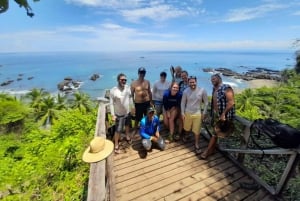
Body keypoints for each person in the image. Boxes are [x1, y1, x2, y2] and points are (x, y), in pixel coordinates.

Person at [201, 73, 235, 159]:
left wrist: (223, 114)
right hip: (215, 115)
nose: (212, 80)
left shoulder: (226, 88)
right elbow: (214, 103)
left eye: (214, 79)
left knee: (214, 133)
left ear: (219, 79)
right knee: (216, 133)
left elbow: (231, 102)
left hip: (223, 116)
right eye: (211, 79)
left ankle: (207, 151)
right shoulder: (214, 89)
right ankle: (212, 150)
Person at [181, 76, 208, 154]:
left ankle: (196, 144)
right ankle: (186, 136)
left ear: (196, 82)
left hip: (197, 113)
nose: (192, 84)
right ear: (188, 83)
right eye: (190, 82)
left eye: (193, 82)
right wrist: (182, 113)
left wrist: (204, 112)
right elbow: (183, 102)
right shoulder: (186, 91)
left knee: (197, 130)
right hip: (188, 112)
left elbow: (206, 103)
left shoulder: (202, 90)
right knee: (186, 128)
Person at [110, 73, 133, 154]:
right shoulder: (113, 90)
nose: (124, 81)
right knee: (118, 130)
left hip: (127, 112)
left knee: (127, 126)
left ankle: (127, 137)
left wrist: (132, 107)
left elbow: (130, 97)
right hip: (119, 114)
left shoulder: (128, 88)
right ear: (118, 80)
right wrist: (113, 115)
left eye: (125, 80)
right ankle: (116, 144)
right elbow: (111, 103)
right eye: (122, 79)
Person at [130, 67, 152, 133]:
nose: (142, 74)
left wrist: (151, 101)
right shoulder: (133, 83)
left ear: (145, 73)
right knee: (137, 118)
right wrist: (133, 105)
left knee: (148, 116)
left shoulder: (147, 82)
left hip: (146, 102)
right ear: (138, 73)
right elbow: (131, 95)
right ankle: (135, 129)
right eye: (141, 72)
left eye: (143, 72)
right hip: (138, 103)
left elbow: (149, 92)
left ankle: (147, 128)